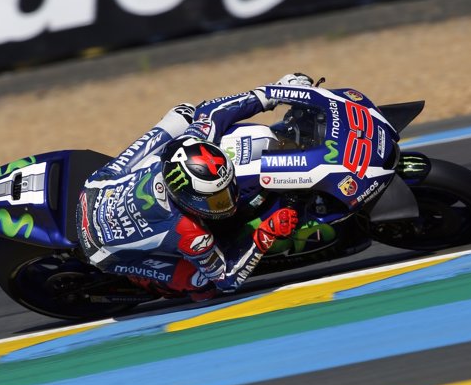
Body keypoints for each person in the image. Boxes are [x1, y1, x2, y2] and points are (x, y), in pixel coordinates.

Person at [76, 73, 313, 301]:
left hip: (100, 185)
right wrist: (266, 233)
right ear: (187, 198)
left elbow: (214, 112)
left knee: (185, 113)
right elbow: (226, 279)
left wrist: (277, 92)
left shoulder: (191, 142)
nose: (229, 200)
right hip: (99, 245)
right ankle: (143, 279)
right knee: (202, 284)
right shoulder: (189, 232)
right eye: (216, 199)